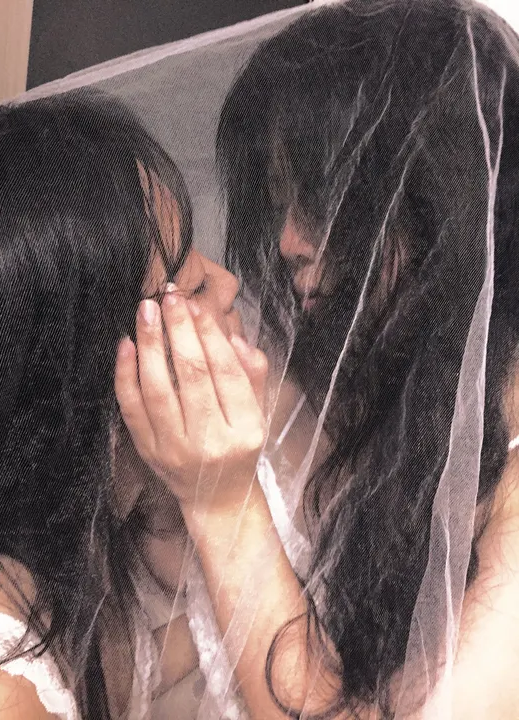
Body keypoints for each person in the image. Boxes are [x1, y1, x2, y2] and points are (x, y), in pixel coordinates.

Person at [118, 1, 519, 718]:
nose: (287, 243)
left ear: (441, 199)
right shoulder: (386, 396)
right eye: (278, 202)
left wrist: (224, 502)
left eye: (324, 200)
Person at [0, 89, 265, 720]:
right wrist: (226, 505)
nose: (228, 283)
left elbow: (133, 669)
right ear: (80, 374)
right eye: (188, 285)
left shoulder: (65, 567)